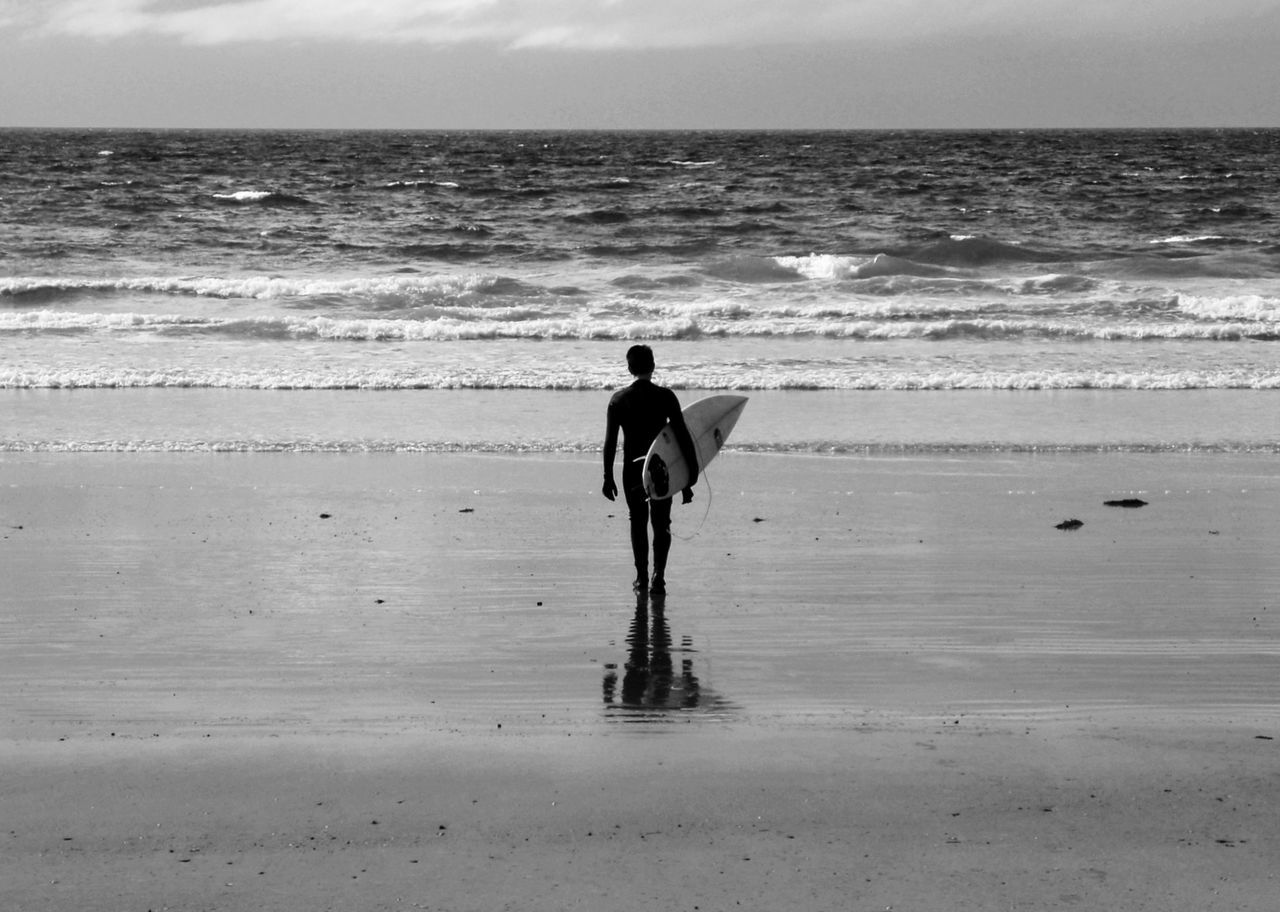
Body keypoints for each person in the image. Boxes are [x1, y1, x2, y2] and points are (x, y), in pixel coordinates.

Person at [602, 345, 698, 594]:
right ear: (653, 366)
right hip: (661, 469)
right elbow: (682, 438)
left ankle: (641, 577)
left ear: (629, 367)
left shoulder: (618, 400)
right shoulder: (666, 397)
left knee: (638, 521)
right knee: (661, 521)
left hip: (632, 469)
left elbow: (610, 442)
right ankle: (659, 577)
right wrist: (689, 473)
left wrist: (607, 476)